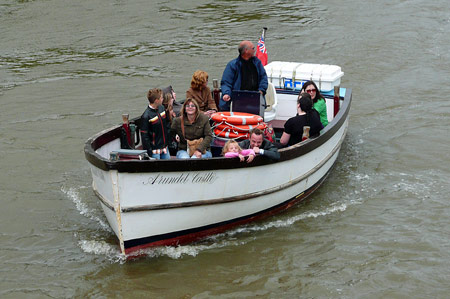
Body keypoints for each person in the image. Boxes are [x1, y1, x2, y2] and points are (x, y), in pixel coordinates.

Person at [219, 40, 268, 111]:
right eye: (253, 48)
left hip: (255, 97)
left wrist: (261, 90)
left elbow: (263, 78)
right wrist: (226, 94)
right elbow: (226, 82)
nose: (255, 50)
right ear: (246, 50)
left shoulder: (257, 63)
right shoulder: (233, 65)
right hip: (238, 98)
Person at [140, 88, 171, 159]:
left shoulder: (162, 108)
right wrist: (149, 151)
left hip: (165, 148)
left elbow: (167, 124)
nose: (163, 99)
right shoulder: (146, 116)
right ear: (156, 100)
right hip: (154, 151)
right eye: (161, 98)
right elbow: (145, 137)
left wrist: (168, 141)